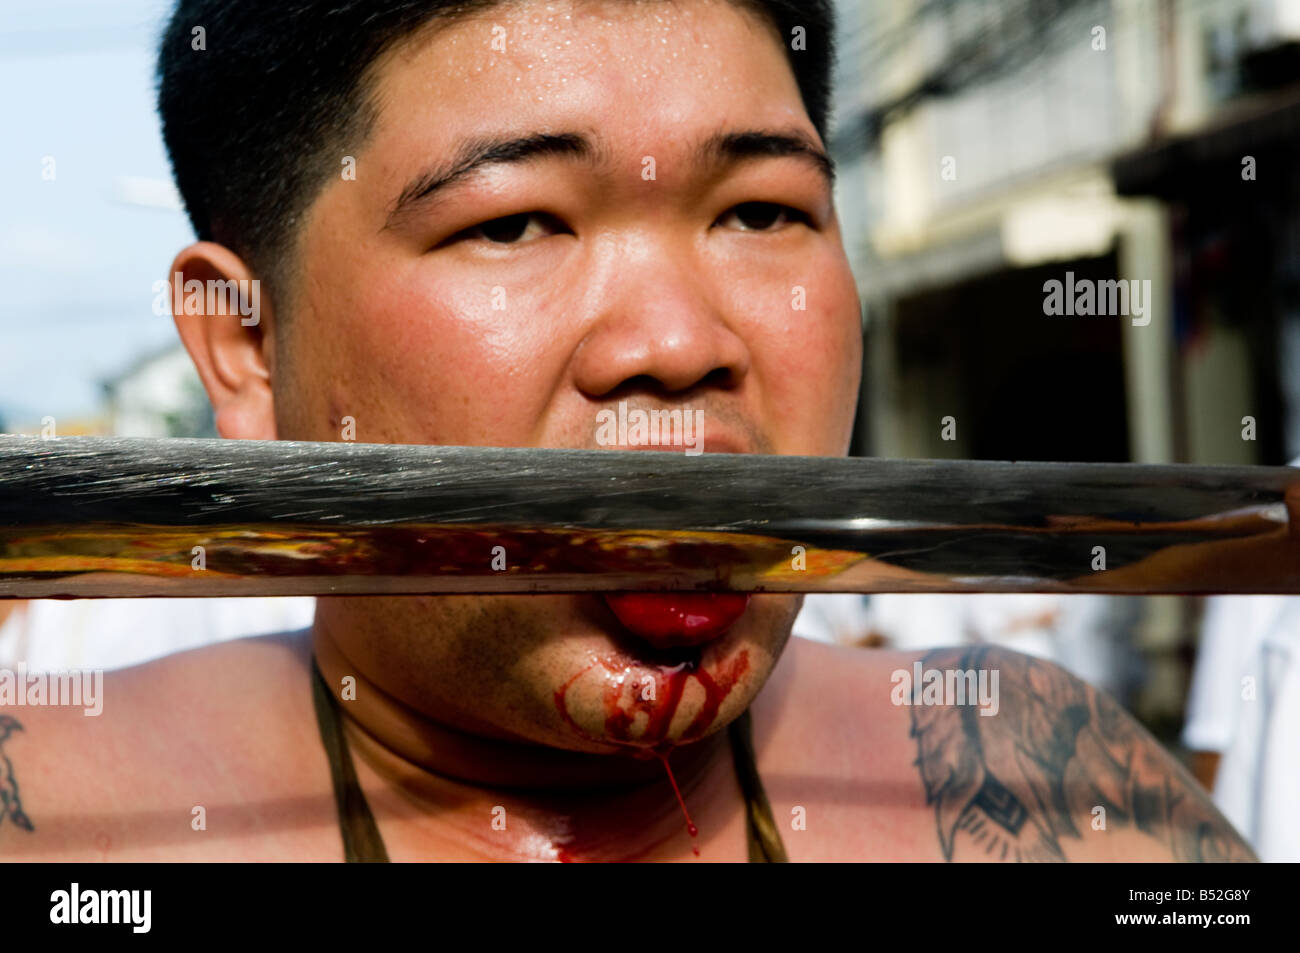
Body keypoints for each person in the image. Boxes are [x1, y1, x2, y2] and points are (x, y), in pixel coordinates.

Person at [0, 0, 1254, 862]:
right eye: (514, 224)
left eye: (762, 212)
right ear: (248, 343)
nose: (677, 340)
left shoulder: (1039, 779)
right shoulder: (59, 824)